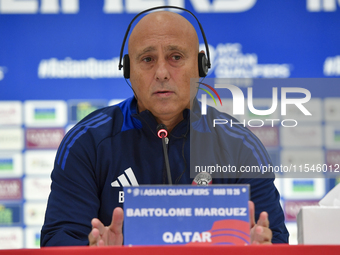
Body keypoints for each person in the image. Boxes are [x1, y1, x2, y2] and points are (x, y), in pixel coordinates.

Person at [41, 10, 289, 247]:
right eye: (147, 59)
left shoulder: (239, 146)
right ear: (129, 70)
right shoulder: (87, 143)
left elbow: (274, 240)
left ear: (200, 66)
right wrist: (95, 251)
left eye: (176, 57)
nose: (161, 73)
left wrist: (259, 249)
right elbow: (58, 241)